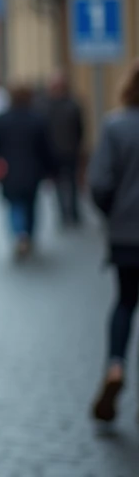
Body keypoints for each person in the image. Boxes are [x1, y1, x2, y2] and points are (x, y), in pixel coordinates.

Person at [86, 62, 139, 423]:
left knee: (124, 303)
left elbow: (100, 183)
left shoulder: (116, 126)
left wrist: (114, 215)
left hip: (127, 235)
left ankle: (116, 367)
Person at [0, 85, 54, 259]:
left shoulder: (3, 120)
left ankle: (19, 234)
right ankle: (28, 235)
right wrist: (50, 169)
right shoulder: (37, 119)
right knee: (31, 204)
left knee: (14, 204)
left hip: (9, 171)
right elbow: (46, 148)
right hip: (33, 171)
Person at [45, 73, 84, 226]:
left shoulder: (72, 105)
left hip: (69, 150)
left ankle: (72, 212)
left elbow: (80, 128)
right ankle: (64, 213)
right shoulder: (46, 105)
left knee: (72, 183)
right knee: (59, 184)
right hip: (54, 152)